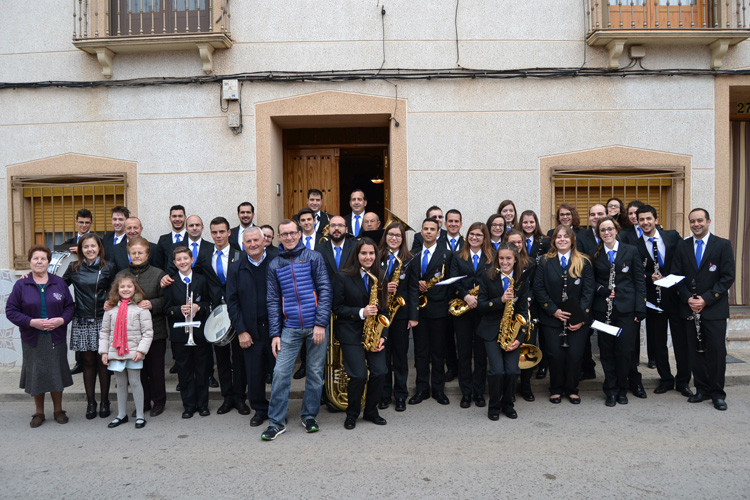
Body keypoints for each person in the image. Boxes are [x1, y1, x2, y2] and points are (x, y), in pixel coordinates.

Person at [262, 219, 332, 441]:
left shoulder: (313, 257)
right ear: (279, 238)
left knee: (314, 373)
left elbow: (325, 290)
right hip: (290, 328)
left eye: (293, 233)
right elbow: (272, 301)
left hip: (315, 327)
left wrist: (320, 323)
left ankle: (309, 416)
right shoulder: (274, 265)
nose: (289, 237)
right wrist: (275, 334)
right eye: (285, 234)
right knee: (281, 373)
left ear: (300, 234)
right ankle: (276, 422)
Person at [672, 208, 735, 411]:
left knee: (716, 352)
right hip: (690, 307)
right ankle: (701, 389)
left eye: (700, 220)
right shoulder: (682, 245)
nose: (696, 224)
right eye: (692, 221)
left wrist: (706, 300)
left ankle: (717, 393)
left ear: (708, 221)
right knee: (695, 352)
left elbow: (727, 277)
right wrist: (688, 298)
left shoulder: (723, 245)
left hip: (713, 309)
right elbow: (676, 276)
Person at [7, 245, 75, 428]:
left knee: (55, 374)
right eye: (35, 258)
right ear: (30, 261)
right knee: (36, 375)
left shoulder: (58, 282)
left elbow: (70, 307)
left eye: (43, 258)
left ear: (48, 262)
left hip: (56, 336)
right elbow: (11, 311)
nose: (39, 262)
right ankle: (39, 412)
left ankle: (58, 410)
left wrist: (61, 320)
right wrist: (31, 322)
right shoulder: (22, 284)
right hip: (32, 338)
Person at [634, 205, 692, 397]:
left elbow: (684, 261)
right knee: (657, 343)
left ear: (656, 220)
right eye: (641, 219)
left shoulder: (673, 236)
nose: (645, 222)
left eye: (648, 218)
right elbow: (637, 271)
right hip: (653, 300)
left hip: (676, 298)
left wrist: (668, 277)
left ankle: (683, 381)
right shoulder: (635, 245)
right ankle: (666, 379)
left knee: (681, 341)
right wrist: (648, 276)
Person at [533, 226, 594, 405]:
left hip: (577, 319)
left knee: (575, 355)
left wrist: (580, 318)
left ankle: (572, 389)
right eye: (558, 237)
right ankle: (556, 389)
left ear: (572, 240)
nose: (562, 239)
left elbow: (588, 291)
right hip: (552, 318)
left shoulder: (584, 261)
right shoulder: (544, 261)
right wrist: (553, 310)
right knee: (555, 355)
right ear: (553, 241)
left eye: (565, 237)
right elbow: (539, 288)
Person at [333, 238, 389, 429]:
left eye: (371, 253)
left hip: (374, 332)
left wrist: (383, 336)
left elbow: (384, 309)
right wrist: (360, 312)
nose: (368, 257)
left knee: (380, 371)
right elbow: (337, 308)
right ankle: (352, 413)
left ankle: (371, 411)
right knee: (357, 375)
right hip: (350, 332)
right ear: (357, 255)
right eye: (364, 253)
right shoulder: (343, 276)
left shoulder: (381, 275)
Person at [591, 216, 647, 407]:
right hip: (603, 311)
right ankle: (611, 390)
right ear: (599, 234)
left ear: (616, 230)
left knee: (624, 351)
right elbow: (592, 283)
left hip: (627, 310)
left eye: (610, 229)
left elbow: (639, 280)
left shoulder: (630, 251)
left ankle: (623, 388)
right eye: (602, 230)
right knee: (606, 352)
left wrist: (640, 307)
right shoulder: (595, 255)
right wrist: (603, 290)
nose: (607, 233)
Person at [62, 233, 117, 420]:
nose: (90, 250)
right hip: (82, 320)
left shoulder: (108, 267)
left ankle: (105, 401)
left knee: (103, 362)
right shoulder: (73, 268)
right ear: (80, 250)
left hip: (103, 320)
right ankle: (91, 402)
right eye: (86, 247)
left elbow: (116, 291)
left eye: (93, 246)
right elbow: (58, 287)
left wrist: (111, 302)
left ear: (99, 248)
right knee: (88, 363)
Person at [226, 227, 272, 427]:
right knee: (254, 373)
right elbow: (232, 302)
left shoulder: (276, 262)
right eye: (248, 242)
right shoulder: (236, 267)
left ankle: (278, 409)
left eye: (256, 240)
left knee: (279, 372)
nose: (253, 244)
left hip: (275, 329)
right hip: (250, 331)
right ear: (243, 245)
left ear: (264, 241)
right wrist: (242, 331)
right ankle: (260, 409)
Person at [477, 243, 528, 420]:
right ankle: (494, 406)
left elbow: (523, 312)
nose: (504, 262)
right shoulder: (488, 276)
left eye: (508, 258)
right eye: (501, 258)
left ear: (515, 259)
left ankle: (508, 404)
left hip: (511, 334)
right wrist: (500, 300)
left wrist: (519, 338)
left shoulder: (522, 280)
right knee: (497, 371)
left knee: (513, 371)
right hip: (491, 331)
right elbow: (481, 305)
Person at [201, 217, 247, 414]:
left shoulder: (240, 255)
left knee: (239, 357)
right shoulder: (204, 256)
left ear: (229, 232)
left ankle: (240, 398)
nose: (218, 235)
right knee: (221, 358)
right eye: (214, 232)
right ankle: (227, 397)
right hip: (216, 313)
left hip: (237, 312)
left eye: (221, 232)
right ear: (210, 234)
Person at [99, 273, 153, 429]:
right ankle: (121, 415)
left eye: (129, 286)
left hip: (134, 351)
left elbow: (148, 332)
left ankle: (140, 416)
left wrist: (141, 351)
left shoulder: (141, 308)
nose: (126, 289)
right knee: (120, 384)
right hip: (116, 351)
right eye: (122, 286)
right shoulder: (110, 309)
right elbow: (104, 331)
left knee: (135, 382)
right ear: (117, 289)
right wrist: (104, 352)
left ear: (135, 288)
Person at [408, 217, 453, 406]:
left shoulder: (447, 254)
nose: (428, 232)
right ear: (421, 231)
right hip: (419, 310)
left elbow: (451, 283)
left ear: (438, 232)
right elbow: (408, 285)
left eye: (432, 229)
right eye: (425, 229)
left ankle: (438, 390)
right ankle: (421, 390)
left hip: (439, 310)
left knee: (438, 352)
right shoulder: (412, 254)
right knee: (421, 352)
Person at [122, 237, 168, 417]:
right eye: (133, 253)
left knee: (156, 369)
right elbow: (116, 297)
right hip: (132, 333)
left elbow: (167, 300)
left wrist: (153, 304)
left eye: (140, 252)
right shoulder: (123, 275)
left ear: (147, 254)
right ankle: (143, 401)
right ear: (129, 255)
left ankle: (159, 401)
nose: (137, 255)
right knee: (138, 370)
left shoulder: (158, 274)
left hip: (155, 330)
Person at [450, 222, 492, 409]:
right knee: (465, 353)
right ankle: (466, 393)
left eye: (479, 235)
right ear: (467, 236)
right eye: (472, 234)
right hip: (464, 311)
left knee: (481, 355)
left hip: (483, 311)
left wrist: (480, 299)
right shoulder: (457, 256)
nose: (475, 238)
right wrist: (466, 296)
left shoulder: (492, 258)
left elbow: (493, 283)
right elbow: (452, 282)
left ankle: (479, 392)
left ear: (485, 238)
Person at [164, 246, 210, 418]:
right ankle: (189, 406)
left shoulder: (201, 280)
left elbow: (209, 303)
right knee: (184, 371)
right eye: (179, 260)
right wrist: (178, 309)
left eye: (186, 258)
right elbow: (167, 309)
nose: (183, 262)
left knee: (202, 370)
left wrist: (199, 307)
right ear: (175, 263)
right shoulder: (170, 282)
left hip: (198, 333)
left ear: (192, 260)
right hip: (179, 335)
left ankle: (203, 404)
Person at [377, 222, 418, 412]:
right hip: (381, 315)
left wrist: (413, 316)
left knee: (400, 357)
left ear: (403, 239)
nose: (394, 238)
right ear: (385, 236)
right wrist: (383, 287)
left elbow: (413, 289)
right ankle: (384, 394)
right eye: (391, 234)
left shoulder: (409, 259)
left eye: (398, 236)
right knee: (383, 356)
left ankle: (401, 395)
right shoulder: (376, 256)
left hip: (401, 316)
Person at [506, 229, 537, 401]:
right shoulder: (502, 262)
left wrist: (529, 298)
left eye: (520, 242)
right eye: (513, 242)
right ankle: (509, 386)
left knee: (527, 347)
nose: (517, 245)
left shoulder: (531, 262)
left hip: (525, 311)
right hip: (506, 312)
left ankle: (525, 386)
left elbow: (535, 285)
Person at [154, 204, 187, 270]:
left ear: (185, 218)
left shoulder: (191, 238)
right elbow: (158, 263)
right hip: (168, 278)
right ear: (170, 218)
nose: (177, 219)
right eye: (174, 216)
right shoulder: (163, 240)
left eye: (180, 216)